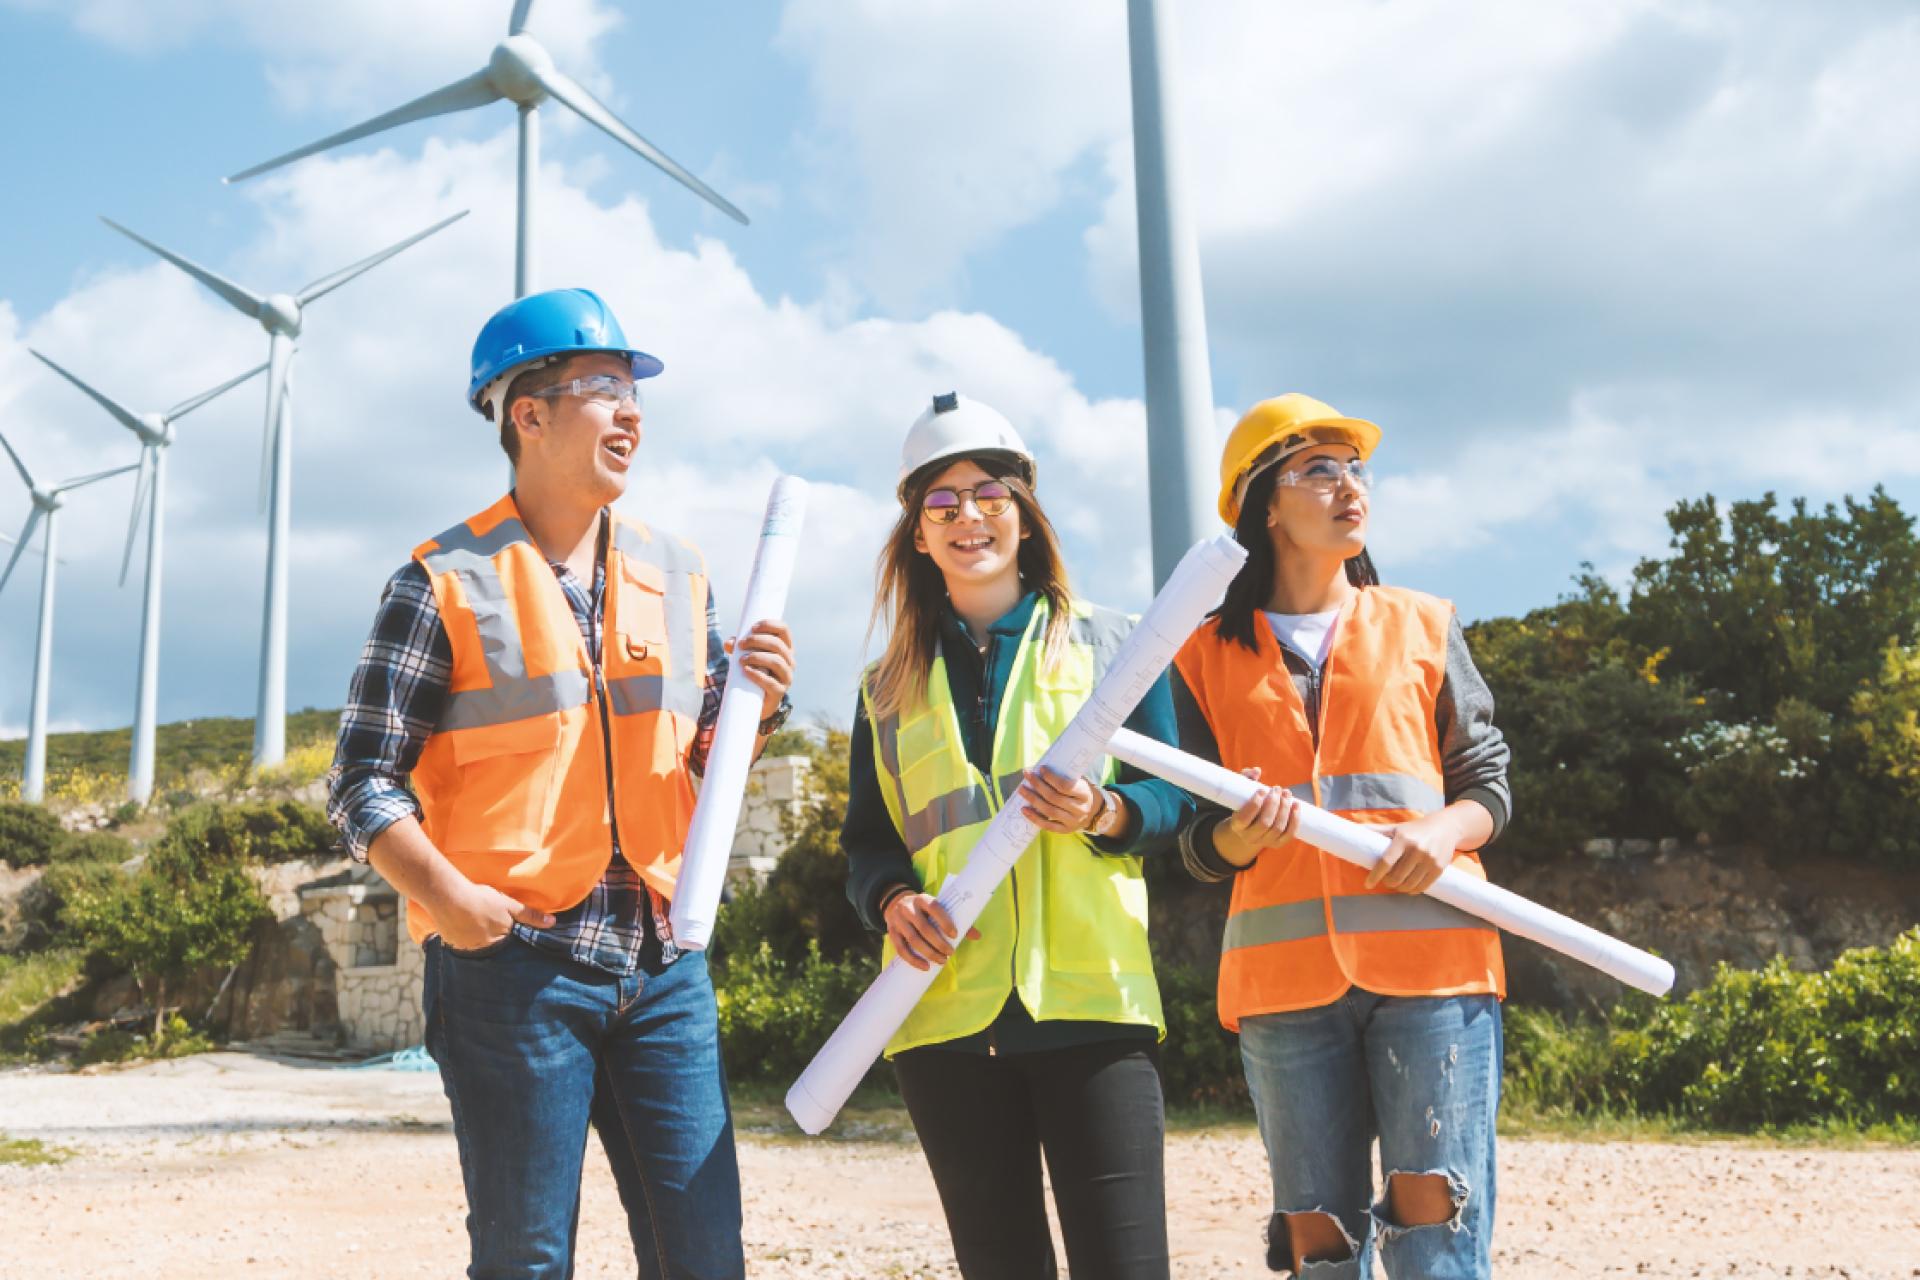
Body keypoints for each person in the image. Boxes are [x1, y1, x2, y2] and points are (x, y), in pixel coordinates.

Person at [326, 287, 795, 1280]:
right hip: (515, 964)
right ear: (524, 413)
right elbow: (361, 780)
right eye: (603, 389)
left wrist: (755, 704)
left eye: (635, 394)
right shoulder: (441, 579)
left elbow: (703, 762)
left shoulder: (681, 571)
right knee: (527, 1256)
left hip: (666, 963)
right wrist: (450, 899)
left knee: (707, 1254)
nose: (631, 412)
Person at [839, 392, 1196, 1280]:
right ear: (917, 532)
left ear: (1026, 517)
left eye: (991, 493)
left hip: (1091, 1005)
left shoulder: (1120, 644)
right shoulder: (884, 686)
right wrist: (891, 899)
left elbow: (1182, 798)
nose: (970, 516)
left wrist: (1108, 814)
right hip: (945, 1020)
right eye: (942, 502)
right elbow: (868, 844)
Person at [1171, 393, 1511, 1279]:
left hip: (1433, 974)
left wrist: (1442, 830)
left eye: (1354, 467)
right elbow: (1194, 842)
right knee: (1318, 1245)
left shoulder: (1423, 623)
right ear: (1265, 504)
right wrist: (1240, 836)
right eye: (1317, 468)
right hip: (1286, 992)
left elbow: (1487, 782)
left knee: (1436, 1231)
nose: (1348, 484)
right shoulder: (1199, 655)